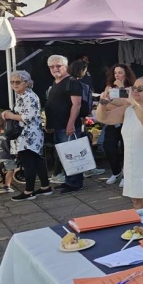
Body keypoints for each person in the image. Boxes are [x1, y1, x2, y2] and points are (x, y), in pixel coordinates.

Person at [97, 78, 143, 208]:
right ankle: (140, 227)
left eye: (140, 89)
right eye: (134, 88)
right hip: (132, 161)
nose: (135, 91)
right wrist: (103, 102)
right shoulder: (127, 110)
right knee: (135, 200)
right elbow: (103, 118)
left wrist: (133, 103)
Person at [5, 71, 51, 201]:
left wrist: (10, 115)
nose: (14, 84)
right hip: (28, 134)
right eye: (12, 82)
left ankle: (29, 191)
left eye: (18, 82)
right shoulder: (22, 95)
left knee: (28, 163)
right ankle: (45, 187)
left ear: (26, 83)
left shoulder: (28, 96)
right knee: (37, 161)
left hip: (28, 135)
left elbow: (28, 116)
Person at [45, 55, 85, 193]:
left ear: (65, 66)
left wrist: (70, 124)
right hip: (58, 126)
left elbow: (76, 105)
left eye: (58, 66)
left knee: (72, 155)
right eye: (52, 66)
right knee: (64, 156)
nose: (55, 69)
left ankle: (75, 183)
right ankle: (69, 181)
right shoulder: (56, 82)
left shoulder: (72, 82)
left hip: (68, 127)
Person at [100, 63, 137, 185]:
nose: (117, 75)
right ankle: (116, 172)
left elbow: (128, 104)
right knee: (108, 147)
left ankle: (127, 175)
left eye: (120, 72)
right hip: (112, 122)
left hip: (126, 122)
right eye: (115, 73)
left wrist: (121, 89)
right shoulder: (109, 87)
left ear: (126, 73)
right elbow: (106, 103)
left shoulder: (132, 87)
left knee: (126, 149)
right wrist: (118, 104)